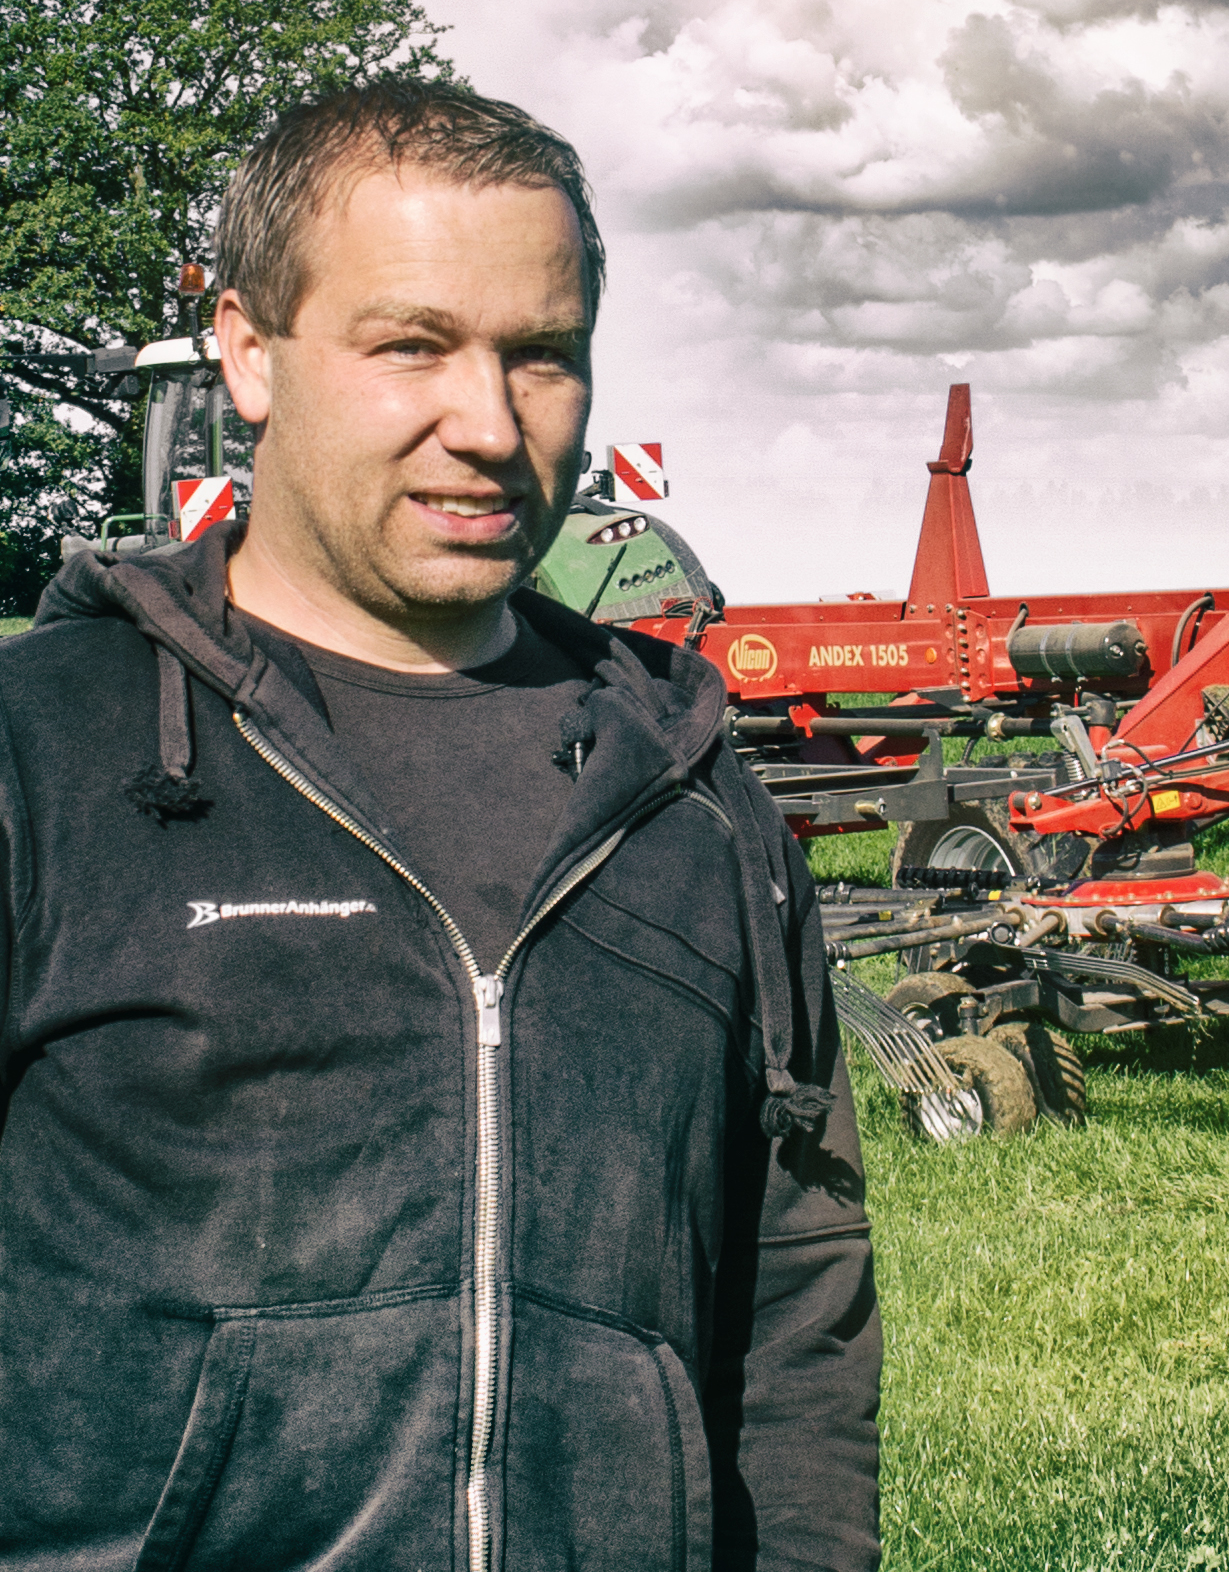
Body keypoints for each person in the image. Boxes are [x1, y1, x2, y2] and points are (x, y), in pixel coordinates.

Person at [0, 79, 881, 1572]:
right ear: (250, 352)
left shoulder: (689, 794)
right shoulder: (42, 752)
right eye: (411, 344)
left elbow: (795, 1303)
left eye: (541, 355)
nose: (486, 426)